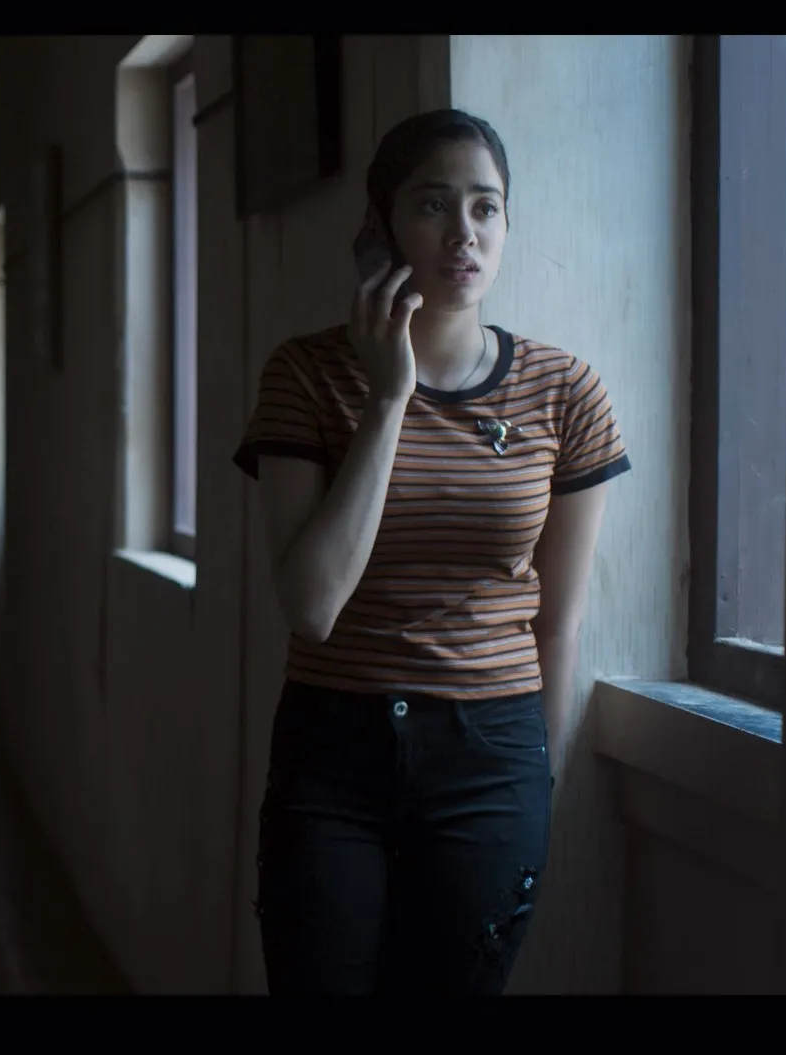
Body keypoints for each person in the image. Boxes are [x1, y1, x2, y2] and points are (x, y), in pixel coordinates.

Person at [231, 109, 629, 995]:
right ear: (379, 229)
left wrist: (537, 773)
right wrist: (388, 400)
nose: (464, 234)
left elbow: (559, 622)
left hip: (493, 755)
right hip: (336, 750)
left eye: (486, 207)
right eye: (433, 205)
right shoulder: (305, 376)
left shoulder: (565, 392)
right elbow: (311, 606)